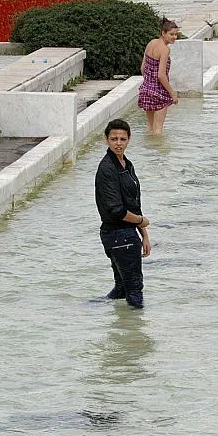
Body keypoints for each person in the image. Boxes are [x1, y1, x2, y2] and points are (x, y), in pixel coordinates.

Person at [94, 119, 151, 309]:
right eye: (114, 139)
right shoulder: (107, 169)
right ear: (106, 140)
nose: (118, 143)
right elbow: (116, 210)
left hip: (127, 234)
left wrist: (144, 234)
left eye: (122, 139)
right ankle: (136, 336)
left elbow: (134, 203)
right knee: (134, 290)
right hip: (118, 235)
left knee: (121, 290)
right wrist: (142, 221)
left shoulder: (127, 164)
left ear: (129, 140)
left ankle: (93, 314)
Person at [138, 17, 180, 135]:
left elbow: (143, 68)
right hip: (159, 92)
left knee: (150, 128)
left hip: (146, 90)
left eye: (176, 34)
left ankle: (148, 152)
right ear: (163, 33)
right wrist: (172, 93)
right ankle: (159, 153)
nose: (174, 37)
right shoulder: (165, 50)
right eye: (171, 34)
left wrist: (149, 84)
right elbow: (161, 75)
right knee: (158, 131)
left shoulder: (151, 43)